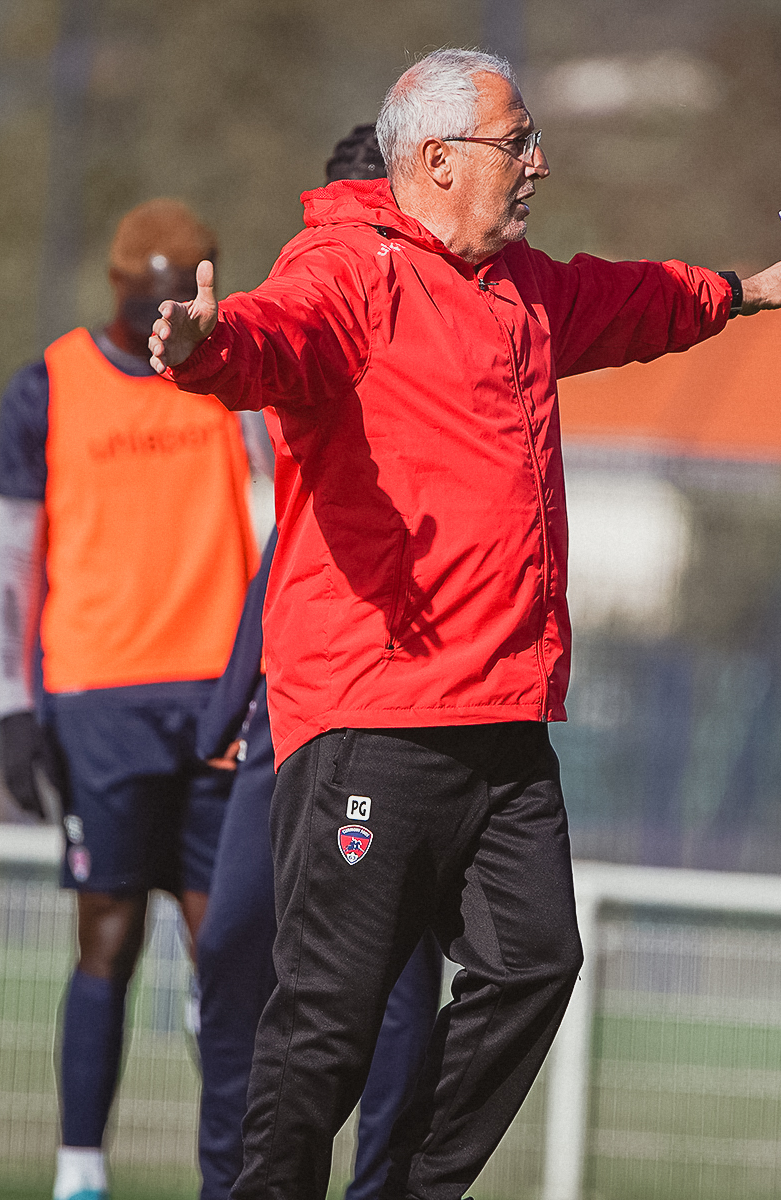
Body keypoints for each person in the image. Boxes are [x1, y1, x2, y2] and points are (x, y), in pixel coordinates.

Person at [149, 49, 781, 1200]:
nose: (537, 163)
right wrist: (204, 351)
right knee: (329, 1022)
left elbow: (629, 301)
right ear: (435, 160)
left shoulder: (518, 286)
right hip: (375, 714)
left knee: (536, 965)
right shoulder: (347, 269)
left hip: (504, 720)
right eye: (516, 143)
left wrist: (741, 292)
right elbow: (272, 338)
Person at [0, 198, 257, 1200]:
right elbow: (12, 560)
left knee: (227, 946)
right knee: (107, 933)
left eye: (186, 293)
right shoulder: (48, 386)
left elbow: (280, 508)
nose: (166, 313)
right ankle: (81, 1172)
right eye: (153, 293)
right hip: (97, 701)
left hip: (220, 698)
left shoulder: (235, 378)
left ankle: (234, 1174)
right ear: (119, 285)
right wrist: (14, 709)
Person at [192, 125, 444, 1200]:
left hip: (403, 706)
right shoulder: (317, 300)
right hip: (297, 695)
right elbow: (292, 532)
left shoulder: (447, 335)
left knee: (393, 977)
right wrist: (230, 699)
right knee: (234, 945)